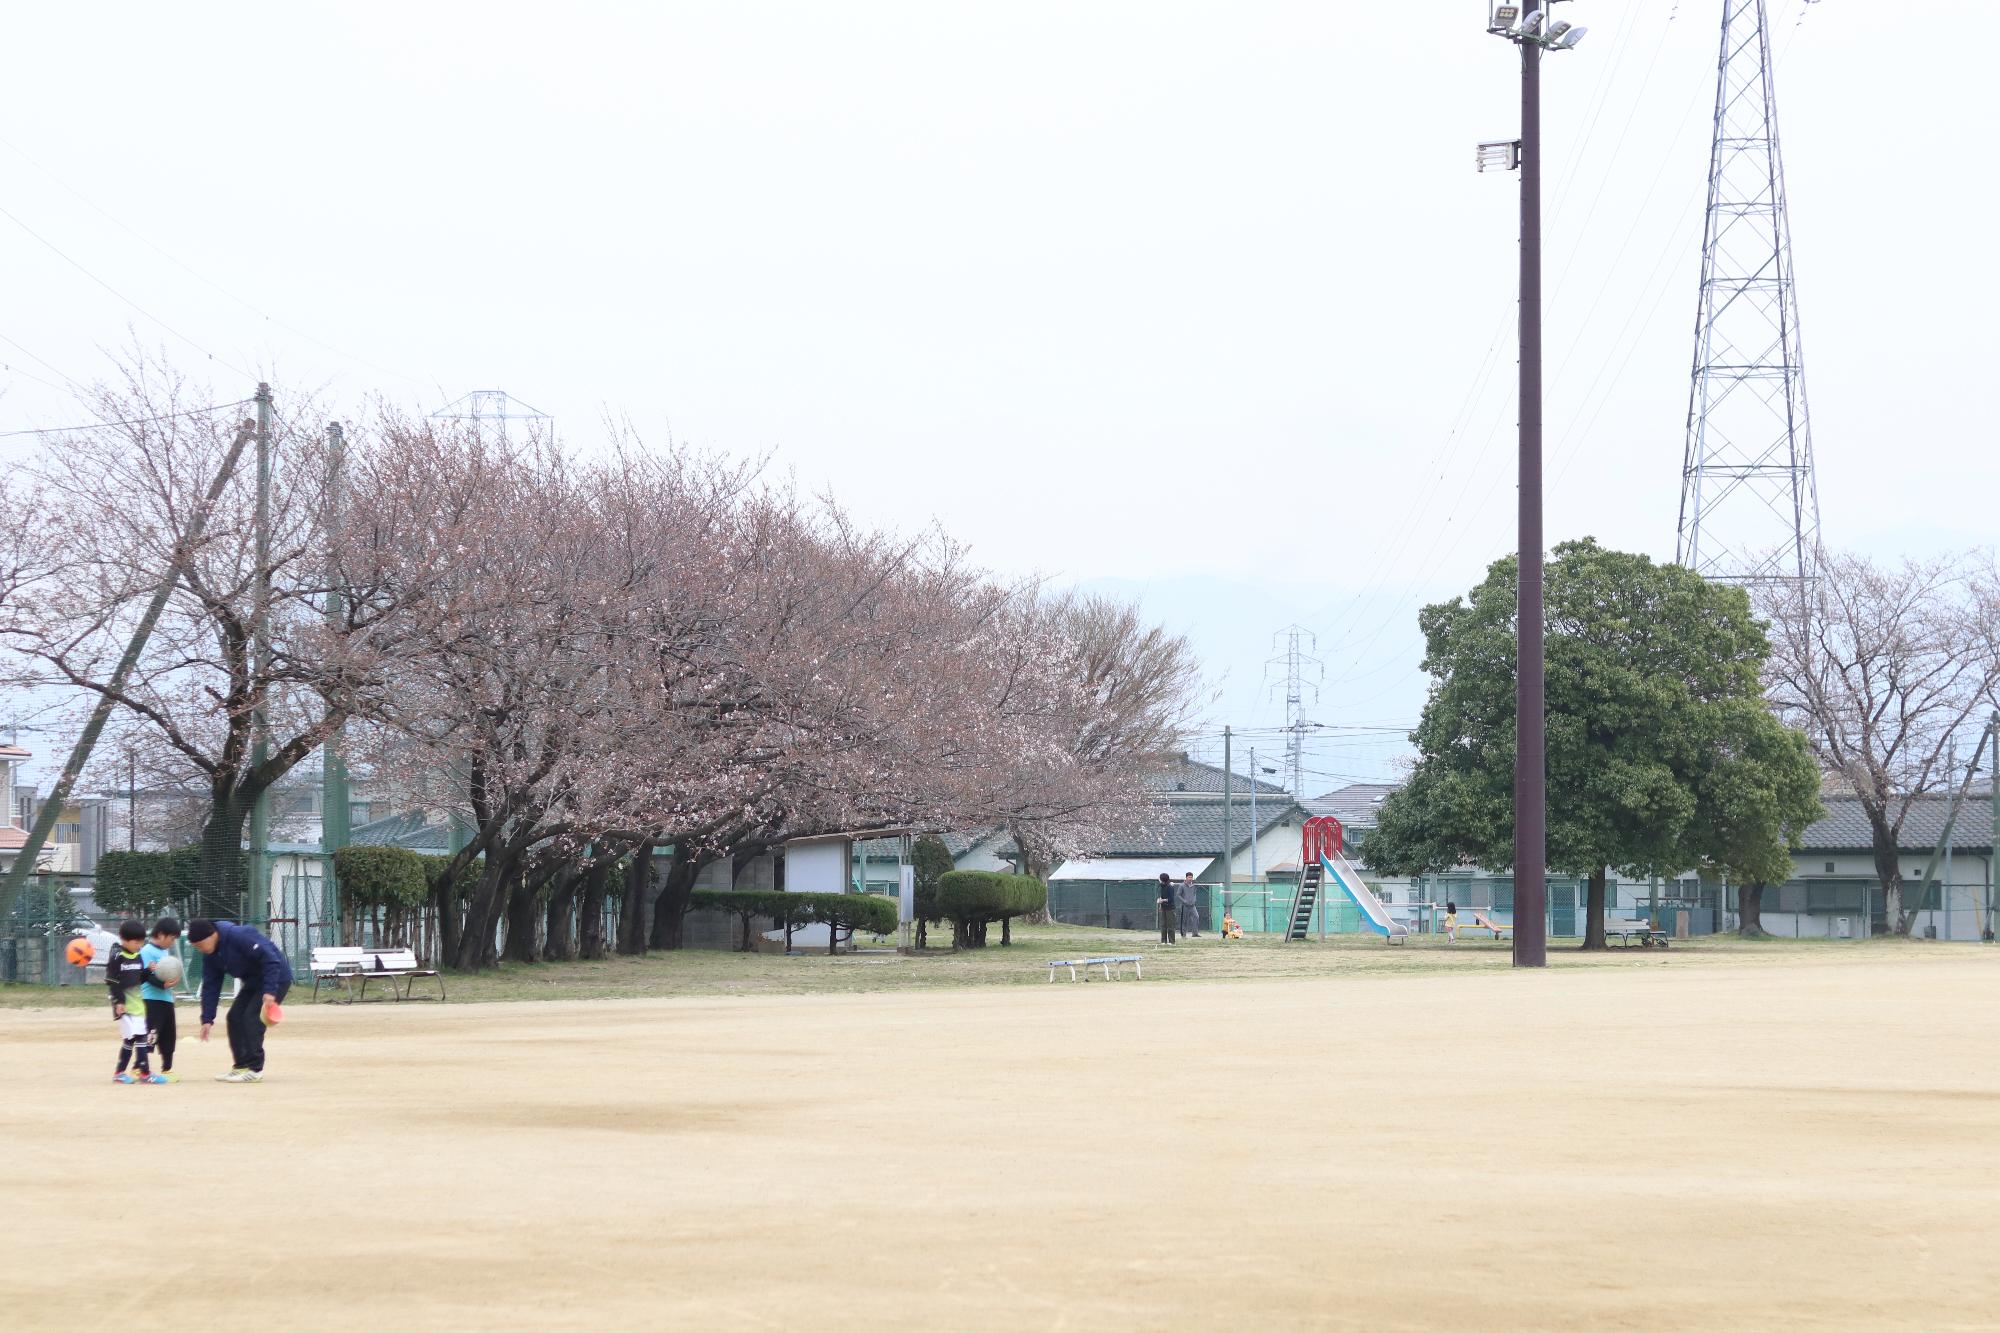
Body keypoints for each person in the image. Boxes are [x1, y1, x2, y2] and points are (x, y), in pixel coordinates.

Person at [189, 918, 293, 1083]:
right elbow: (210, 986)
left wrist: (270, 991)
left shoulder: (239, 935)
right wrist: (207, 1019)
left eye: (200, 945)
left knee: (251, 1018)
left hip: (276, 978)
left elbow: (271, 959)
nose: (200, 950)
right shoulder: (210, 956)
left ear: (211, 936)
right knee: (234, 1017)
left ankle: (255, 1069)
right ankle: (241, 1066)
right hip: (253, 982)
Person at [106, 920, 164, 1085]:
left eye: (141, 942)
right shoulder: (118, 956)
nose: (139, 945)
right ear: (124, 939)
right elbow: (112, 981)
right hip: (124, 1006)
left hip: (137, 1005)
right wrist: (119, 1002)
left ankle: (136, 1073)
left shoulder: (137, 956)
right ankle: (132, 1073)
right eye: (136, 942)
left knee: (137, 1039)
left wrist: (148, 971)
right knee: (135, 1038)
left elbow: (138, 979)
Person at [139, 917, 183, 1083]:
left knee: (169, 1035)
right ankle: (140, 1067)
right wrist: (163, 985)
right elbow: (148, 975)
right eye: (172, 938)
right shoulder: (146, 951)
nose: (172, 942)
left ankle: (167, 1069)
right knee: (152, 1033)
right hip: (151, 1000)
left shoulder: (164, 952)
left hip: (166, 1000)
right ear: (161, 935)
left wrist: (169, 987)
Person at [1156, 873, 1177, 945]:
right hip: (1163, 908)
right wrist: (1160, 904)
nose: (1159, 879)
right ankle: (1163, 941)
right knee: (1163, 925)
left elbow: (1171, 899)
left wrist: (1163, 900)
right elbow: (1161, 896)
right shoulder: (1162, 886)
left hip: (1170, 908)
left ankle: (1172, 941)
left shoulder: (1170, 887)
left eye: (1159, 878)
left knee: (1170, 925)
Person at [1179, 872, 1202, 938]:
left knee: (1196, 917)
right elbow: (1178, 894)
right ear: (1186, 878)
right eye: (1189, 877)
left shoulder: (1194, 886)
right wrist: (1184, 901)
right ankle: (1183, 935)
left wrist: (1194, 900)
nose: (1190, 878)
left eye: (1191, 877)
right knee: (1184, 920)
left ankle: (1195, 933)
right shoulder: (1182, 885)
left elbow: (1194, 894)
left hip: (1192, 905)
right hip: (1185, 906)